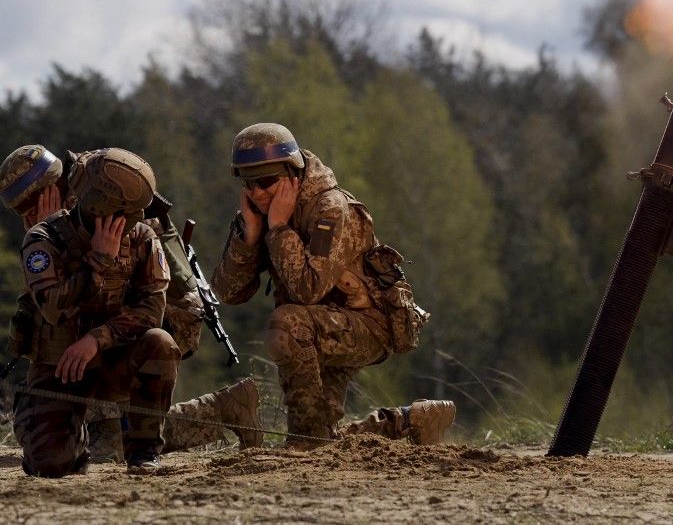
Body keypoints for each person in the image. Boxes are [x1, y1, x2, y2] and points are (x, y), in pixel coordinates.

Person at [0, 145, 262, 467]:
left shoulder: (112, 202)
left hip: (150, 326)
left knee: (111, 447)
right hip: (96, 335)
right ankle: (223, 409)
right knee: (64, 452)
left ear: (53, 187)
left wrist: (97, 331)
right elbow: (50, 307)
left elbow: (145, 303)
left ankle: (218, 412)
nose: (28, 217)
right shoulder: (62, 219)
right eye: (20, 211)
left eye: (31, 204)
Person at [212, 123, 455, 446]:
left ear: (292, 173)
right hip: (321, 326)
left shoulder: (330, 209)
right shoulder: (261, 212)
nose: (256, 192)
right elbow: (227, 293)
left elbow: (308, 290)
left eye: (266, 181)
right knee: (326, 433)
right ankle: (411, 421)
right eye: (248, 182)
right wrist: (250, 238)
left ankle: (306, 442)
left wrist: (279, 229)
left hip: (368, 324)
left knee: (287, 323)